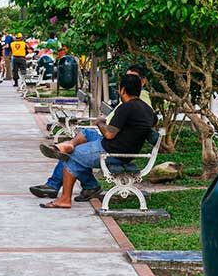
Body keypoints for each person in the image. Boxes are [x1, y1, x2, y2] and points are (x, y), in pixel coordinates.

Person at [33, 74, 156, 209]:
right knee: (87, 134)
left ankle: (65, 199)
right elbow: (148, 123)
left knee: (71, 156)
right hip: (124, 149)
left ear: (122, 90)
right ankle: (68, 145)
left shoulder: (126, 107)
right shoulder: (148, 110)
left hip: (113, 151)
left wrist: (100, 123)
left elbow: (109, 134)